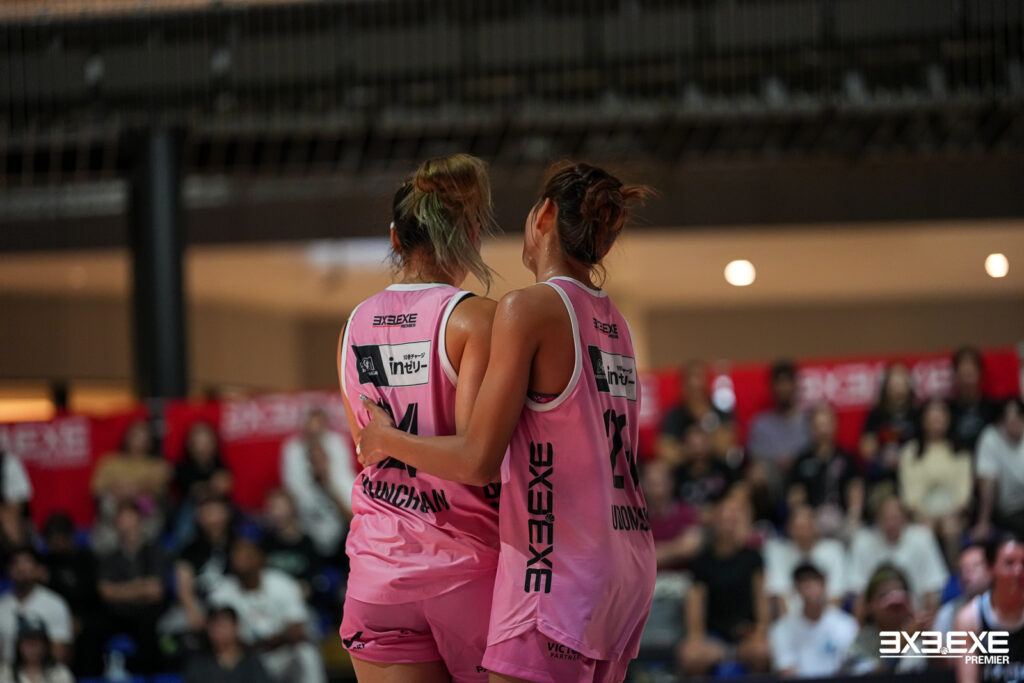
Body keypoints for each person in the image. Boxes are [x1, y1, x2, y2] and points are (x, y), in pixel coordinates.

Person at [356, 161, 657, 682]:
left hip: (555, 568)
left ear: (544, 215)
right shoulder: (617, 323)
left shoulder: (526, 308)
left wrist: (385, 437)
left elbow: (477, 458)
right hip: (625, 560)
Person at [335, 154, 503, 683]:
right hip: (467, 571)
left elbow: (367, 447)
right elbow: (477, 460)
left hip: (378, 572)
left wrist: (387, 438)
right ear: (470, 236)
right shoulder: (475, 318)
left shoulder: (353, 324)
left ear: (395, 237)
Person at [208, 538, 325, 683]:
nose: (242, 563)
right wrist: (265, 642)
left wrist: (271, 641)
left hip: (281, 654)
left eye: (247, 557)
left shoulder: (281, 583)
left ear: (260, 558)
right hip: (247, 658)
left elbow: (297, 629)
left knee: (306, 653)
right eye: (237, 558)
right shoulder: (222, 592)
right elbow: (219, 634)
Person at [679, 495, 771, 676]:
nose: (727, 524)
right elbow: (695, 604)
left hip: (746, 636)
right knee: (690, 656)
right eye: (722, 519)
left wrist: (760, 630)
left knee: (762, 652)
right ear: (714, 522)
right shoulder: (702, 562)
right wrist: (696, 637)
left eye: (732, 519)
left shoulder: (753, 558)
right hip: (713, 638)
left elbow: (761, 599)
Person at [898, 398, 972, 566]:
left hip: (954, 513)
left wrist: (951, 513)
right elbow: (909, 493)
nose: (936, 421)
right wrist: (923, 514)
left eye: (941, 417)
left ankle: (955, 575)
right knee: (925, 530)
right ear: (923, 421)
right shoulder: (911, 452)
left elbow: (964, 491)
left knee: (950, 527)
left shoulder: (960, 451)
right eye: (932, 418)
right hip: (921, 514)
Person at [96, 500, 168, 674]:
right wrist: (139, 587)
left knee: (149, 631)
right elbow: (105, 592)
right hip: (117, 615)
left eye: (130, 518)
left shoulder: (155, 552)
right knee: (92, 629)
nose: (126, 524)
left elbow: (155, 590)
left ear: (140, 521)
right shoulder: (109, 556)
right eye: (122, 519)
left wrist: (120, 590)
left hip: (148, 613)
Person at [848, 495, 948, 613]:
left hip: (914, 613)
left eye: (895, 518)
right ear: (877, 519)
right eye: (886, 518)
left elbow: (931, 588)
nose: (891, 523)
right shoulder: (862, 541)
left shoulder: (922, 538)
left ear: (905, 518)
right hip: (876, 617)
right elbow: (859, 592)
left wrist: (925, 621)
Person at [280, 407, 357, 560]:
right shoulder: (293, 451)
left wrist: (328, 484)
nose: (317, 462)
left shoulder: (343, 477)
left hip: (342, 536)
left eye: (321, 458)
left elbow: (353, 518)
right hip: (306, 534)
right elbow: (292, 494)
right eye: (312, 459)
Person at [90, 419, 170, 554]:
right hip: (115, 512)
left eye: (144, 438)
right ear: (126, 438)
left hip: (144, 514)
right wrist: (117, 488)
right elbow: (96, 487)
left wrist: (134, 489)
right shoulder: (110, 462)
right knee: (107, 501)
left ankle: (140, 545)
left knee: (148, 502)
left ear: (150, 441)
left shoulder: (157, 465)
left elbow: (160, 487)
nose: (139, 442)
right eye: (135, 436)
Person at [787, 402, 864, 539]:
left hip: (842, 521)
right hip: (812, 524)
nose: (822, 430)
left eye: (826, 425)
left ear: (835, 425)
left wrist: (853, 516)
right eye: (818, 425)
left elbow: (855, 488)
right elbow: (795, 495)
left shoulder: (846, 458)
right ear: (811, 428)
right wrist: (804, 517)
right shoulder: (802, 461)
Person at [769, 563, 858, 678]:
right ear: (797, 589)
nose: (811, 590)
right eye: (805, 584)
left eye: (815, 582)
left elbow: (852, 666)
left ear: (824, 585)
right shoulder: (782, 628)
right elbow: (786, 670)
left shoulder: (846, 624)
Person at [39, 513, 102, 675]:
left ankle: (88, 677)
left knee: (89, 633)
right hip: (51, 618)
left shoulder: (86, 559)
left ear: (69, 537)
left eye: (59, 538)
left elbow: (91, 595)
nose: (56, 543)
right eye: (51, 539)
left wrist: (78, 619)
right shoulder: (44, 562)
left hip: (84, 614)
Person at [955, 535, 1024, 683]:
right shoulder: (970, 619)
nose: (1018, 571)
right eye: (1009, 563)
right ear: (991, 568)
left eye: (1023, 563)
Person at [841, 564, 927, 675]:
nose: (893, 602)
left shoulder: (920, 635)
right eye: (884, 596)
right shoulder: (859, 645)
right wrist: (900, 643)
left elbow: (945, 669)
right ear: (870, 604)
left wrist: (927, 631)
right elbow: (864, 677)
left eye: (899, 595)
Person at [763, 505, 848, 616]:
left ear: (815, 527)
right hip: (792, 619)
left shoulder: (834, 550)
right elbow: (780, 594)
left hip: (825, 617)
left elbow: (835, 594)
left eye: (806, 527)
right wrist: (792, 624)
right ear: (789, 528)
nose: (802, 533)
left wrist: (826, 622)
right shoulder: (778, 552)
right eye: (798, 528)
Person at [746, 360, 811, 502]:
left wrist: (795, 460)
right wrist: (777, 462)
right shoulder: (760, 424)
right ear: (772, 387)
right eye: (779, 383)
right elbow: (756, 457)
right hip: (773, 482)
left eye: (787, 382)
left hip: (805, 478)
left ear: (795, 385)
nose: (783, 388)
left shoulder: (809, 421)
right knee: (757, 473)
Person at [174, 490, 236, 633]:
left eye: (216, 512)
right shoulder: (188, 551)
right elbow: (184, 590)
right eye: (207, 513)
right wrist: (195, 615)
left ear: (226, 513)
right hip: (203, 607)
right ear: (198, 517)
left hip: (236, 605)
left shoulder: (239, 545)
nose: (212, 519)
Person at [0, 548, 72, 664]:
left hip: (45, 672)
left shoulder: (54, 603)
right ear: (8, 570)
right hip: (7, 671)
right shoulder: (2, 605)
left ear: (38, 568)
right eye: (15, 563)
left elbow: (59, 654)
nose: (21, 568)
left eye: (27, 562)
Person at [658, 360, 736, 465]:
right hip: (684, 470)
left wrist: (707, 419)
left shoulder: (721, 411)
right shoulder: (674, 415)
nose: (695, 382)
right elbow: (666, 452)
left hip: (717, 468)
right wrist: (691, 448)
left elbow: (726, 447)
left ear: (707, 382)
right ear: (682, 385)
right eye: (690, 379)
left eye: (699, 377)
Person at [859, 363, 918, 502]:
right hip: (882, 478)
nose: (898, 387)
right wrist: (882, 458)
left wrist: (905, 459)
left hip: (914, 476)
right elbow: (866, 449)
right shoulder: (876, 416)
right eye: (894, 382)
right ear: (885, 387)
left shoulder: (917, 415)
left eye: (902, 382)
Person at [173, 420, 232, 546]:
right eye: (198, 442)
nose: (202, 447)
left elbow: (225, 486)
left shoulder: (219, 464)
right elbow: (193, 491)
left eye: (206, 442)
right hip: (191, 511)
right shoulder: (182, 468)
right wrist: (212, 486)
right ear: (190, 445)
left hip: (218, 505)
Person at [974, 398, 1024, 539]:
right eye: (1009, 420)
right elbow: (987, 483)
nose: (1014, 424)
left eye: (1019, 418)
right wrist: (983, 522)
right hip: (1008, 510)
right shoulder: (991, 438)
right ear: (1001, 422)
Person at [184, 604, 273, 683]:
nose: (219, 632)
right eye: (215, 627)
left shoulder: (251, 660)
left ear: (236, 627)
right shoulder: (198, 663)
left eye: (224, 626)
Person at [643, 459, 702, 570]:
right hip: (645, 577)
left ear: (670, 484)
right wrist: (675, 547)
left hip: (679, 576)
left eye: (660, 483)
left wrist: (650, 555)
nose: (656, 490)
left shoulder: (685, 512)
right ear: (643, 485)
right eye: (651, 483)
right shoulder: (634, 516)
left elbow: (690, 547)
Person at [261, 489, 320, 596]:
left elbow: (314, 578)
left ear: (293, 508)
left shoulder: (307, 543)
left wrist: (308, 586)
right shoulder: (265, 543)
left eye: (281, 507)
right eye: (273, 508)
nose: (277, 513)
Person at [673, 422, 736, 514]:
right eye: (694, 446)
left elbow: (735, 493)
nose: (699, 451)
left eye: (702, 444)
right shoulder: (677, 475)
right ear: (685, 447)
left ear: (710, 444)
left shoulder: (724, 469)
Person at [933, 541, 991, 636]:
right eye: (962, 569)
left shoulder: (1005, 606)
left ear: (991, 569)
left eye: (974, 567)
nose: (966, 573)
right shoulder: (948, 613)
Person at [949, 347, 997, 452]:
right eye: (962, 366)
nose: (967, 369)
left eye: (971, 367)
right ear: (955, 376)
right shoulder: (948, 410)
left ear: (981, 374)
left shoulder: (993, 408)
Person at [0, 617, 74, 683]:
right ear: (18, 645)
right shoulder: (6, 673)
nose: (34, 647)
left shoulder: (59, 673)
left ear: (46, 645)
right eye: (29, 643)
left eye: (38, 642)